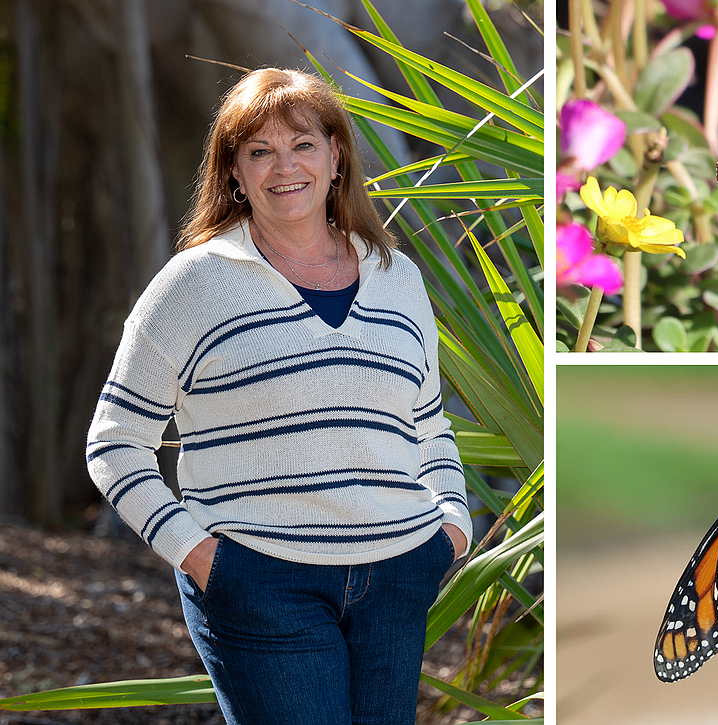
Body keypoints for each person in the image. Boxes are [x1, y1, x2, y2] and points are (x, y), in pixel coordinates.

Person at [86, 67, 472, 725]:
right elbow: (114, 442)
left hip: (397, 575)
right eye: (259, 151)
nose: (282, 166)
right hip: (259, 581)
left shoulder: (396, 277)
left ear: (336, 156)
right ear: (234, 172)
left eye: (302, 145)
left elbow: (428, 425)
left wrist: (452, 530)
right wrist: (198, 553)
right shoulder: (193, 285)